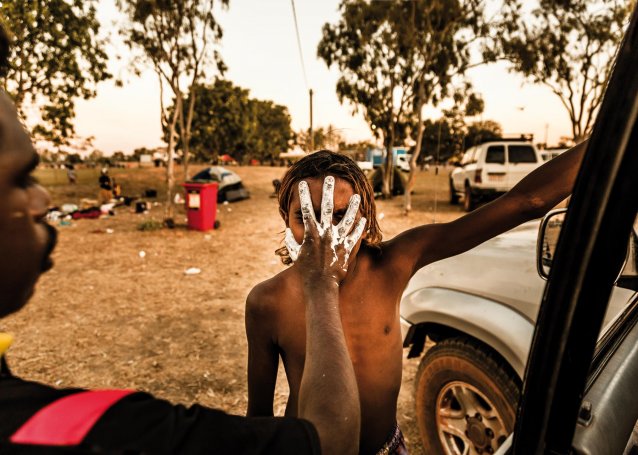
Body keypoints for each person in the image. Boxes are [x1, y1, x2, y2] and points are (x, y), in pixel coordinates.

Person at [0, 27, 360, 454]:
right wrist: (320, 282)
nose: (42, 200)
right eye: (22, 178)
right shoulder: (90, 432)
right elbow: (332, 441)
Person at [246, 144, 587, 454]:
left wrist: (616, 130)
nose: (326, 234)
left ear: (363, 220)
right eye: (306, 217)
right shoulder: (267, 301)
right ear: (286, 221)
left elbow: (528, 201)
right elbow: (257, 420)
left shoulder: (392, 264)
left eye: (339, 216)